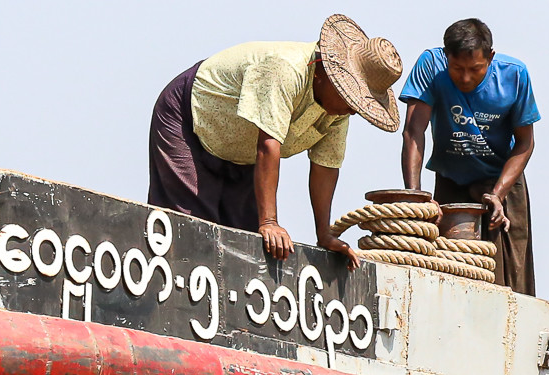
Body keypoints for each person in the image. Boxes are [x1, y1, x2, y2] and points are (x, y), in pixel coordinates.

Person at [148, 14, 403, 266]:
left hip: (242, 154)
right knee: (189, 233)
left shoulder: (338, 112)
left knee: (242, 245)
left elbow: (326, 166)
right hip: (189, 120)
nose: (353, 109)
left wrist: (324, 233)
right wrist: (269, 221)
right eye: (351, 98)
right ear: (326, 74)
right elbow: (268, 145)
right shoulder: (284, 70)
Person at [399, 18, 539, 295]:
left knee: (509, 278)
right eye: (456, 68)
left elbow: (525, 143)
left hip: (501, 185)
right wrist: (414, 199)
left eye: (475, 70)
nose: (464, 78)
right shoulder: (430, 66)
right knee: (447, 268)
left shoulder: (514, 75)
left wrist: (498, 194)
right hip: (452, 181)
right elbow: (414, 131)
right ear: (445, 57)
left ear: (491, 57)